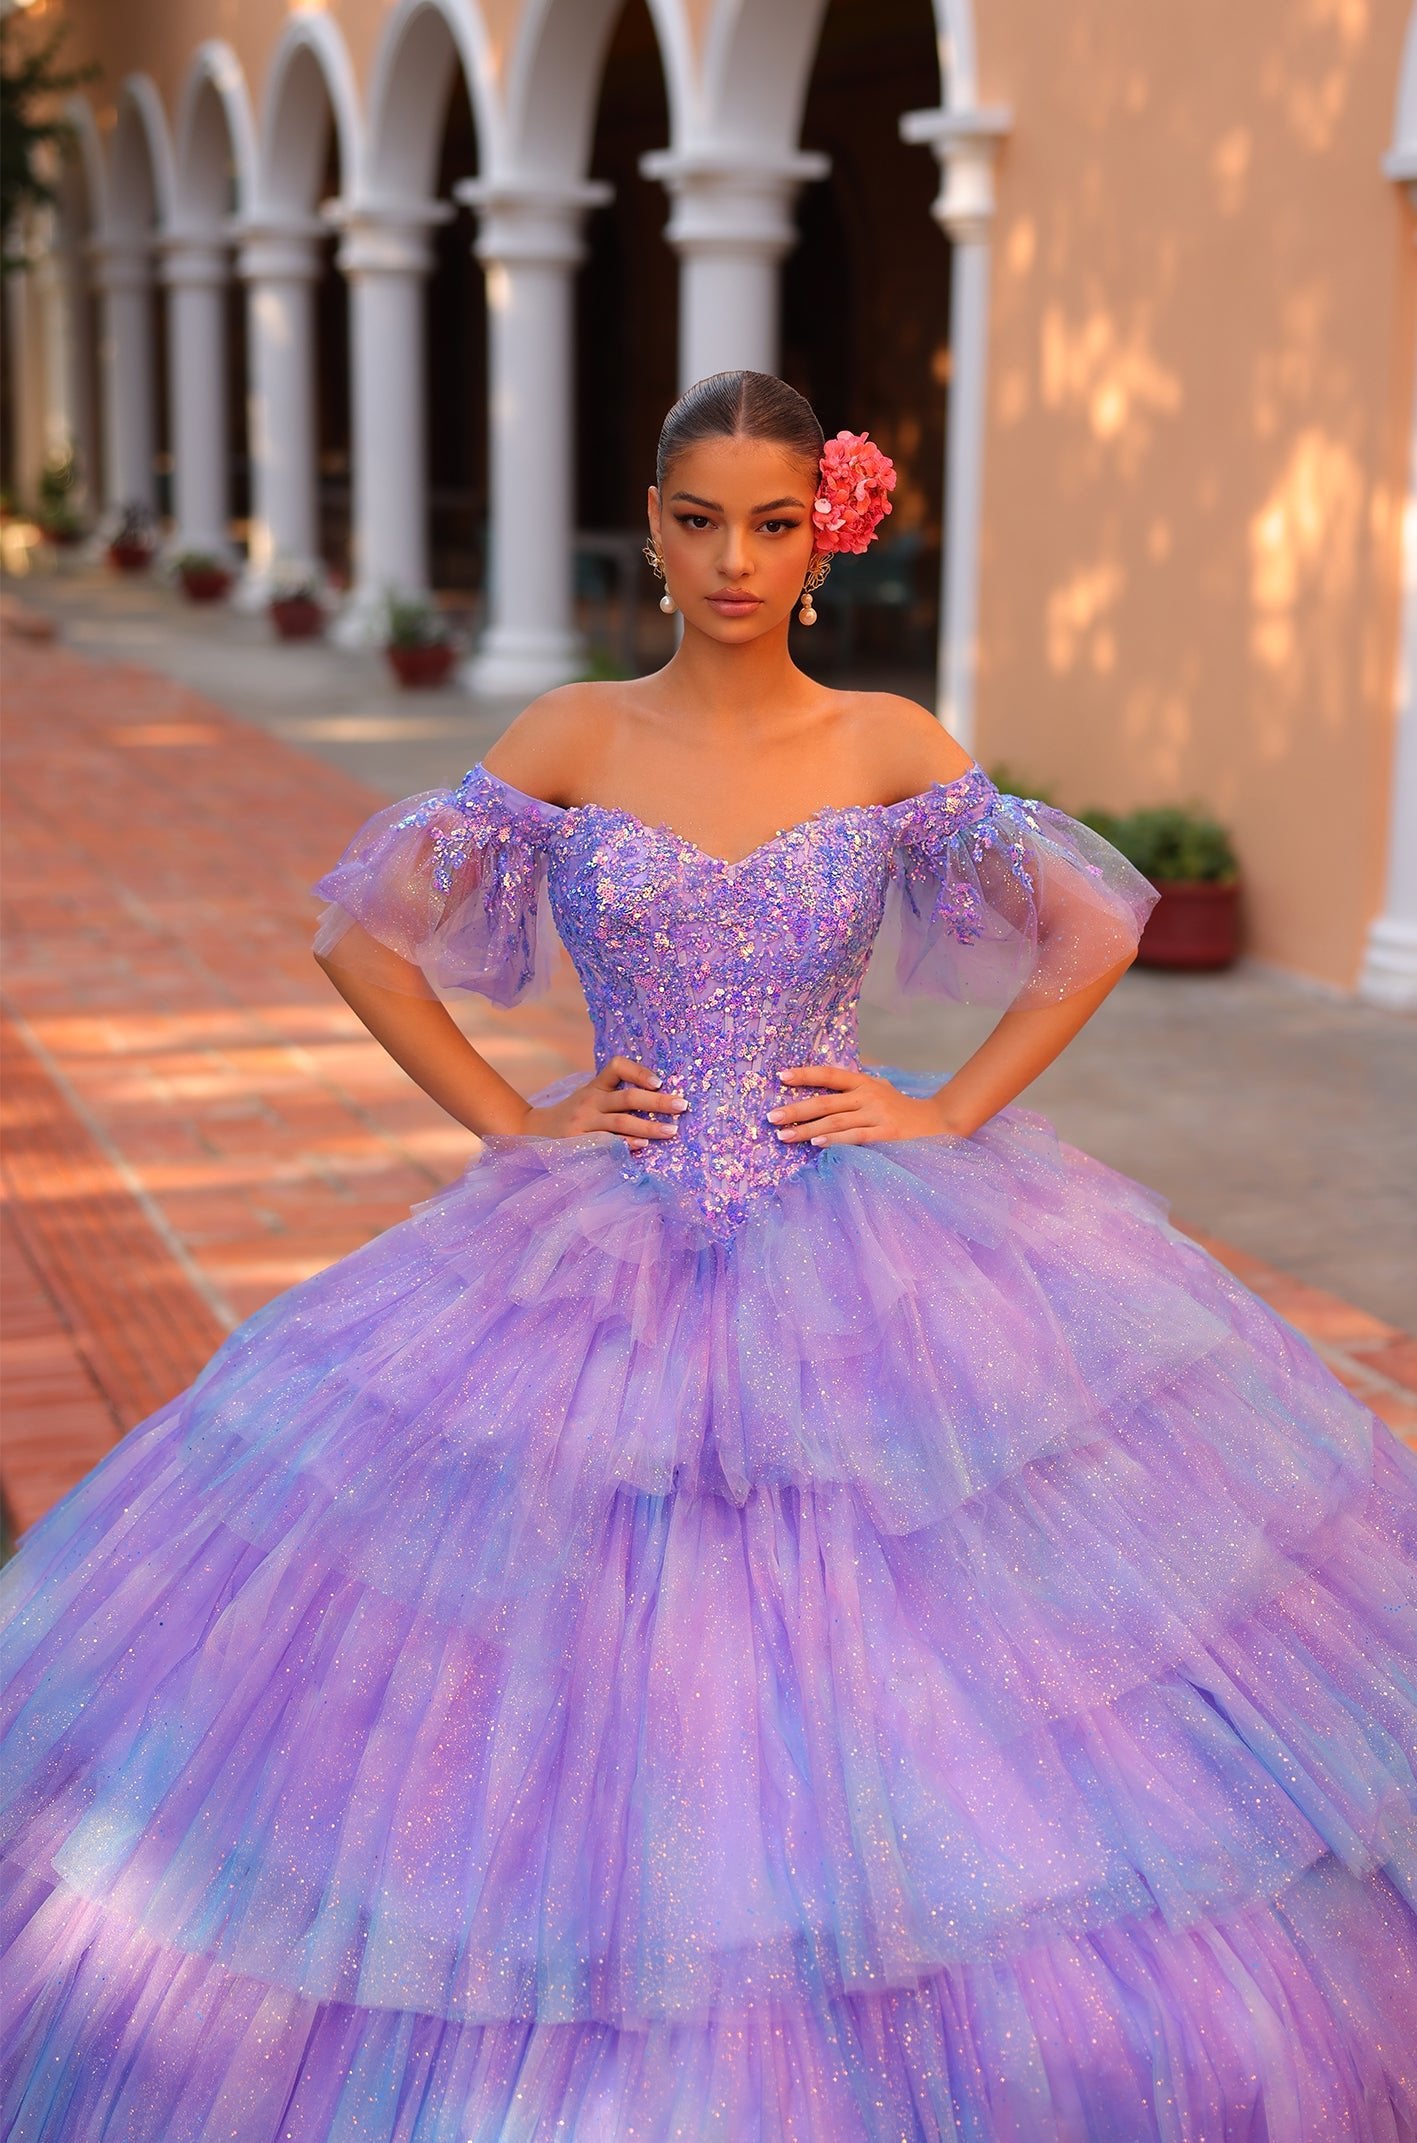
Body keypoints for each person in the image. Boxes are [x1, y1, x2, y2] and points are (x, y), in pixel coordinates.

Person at [2, 370, 1415, 2143]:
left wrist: (950, 1112)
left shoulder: (888, 741)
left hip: (864, 1240)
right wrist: (508, 1122)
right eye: (695, 521)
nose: (731, 561)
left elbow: (1086, 925)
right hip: (602, 1236)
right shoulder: (572, 737)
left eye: (769, 523)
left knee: (917, 1597)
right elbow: (366, 946)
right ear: (651, 530)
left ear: (821, 533)